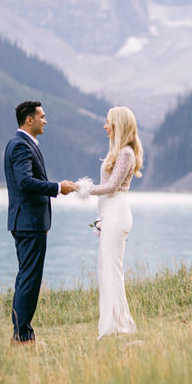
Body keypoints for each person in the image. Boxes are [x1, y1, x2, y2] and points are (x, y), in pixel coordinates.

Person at [4, 99, 76, 344]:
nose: (46, 121)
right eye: (42, 116)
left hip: (29, 222)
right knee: (29, 279)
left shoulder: (24, 144)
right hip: (28, 223)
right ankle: (22, 336)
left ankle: (22, 333)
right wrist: (57, 187)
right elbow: (24, 182)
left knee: (27, 277)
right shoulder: (20, 146)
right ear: (29, 120)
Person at [75, 106, 142, 337]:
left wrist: (84, 189)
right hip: (109, 214)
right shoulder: (120, 151)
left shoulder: (125, 153)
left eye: (108, 122)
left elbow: (113, 186)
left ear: (118, 125)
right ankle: (114, 325)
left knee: (112, 270)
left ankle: (118, 327)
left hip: (116, 212)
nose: (104, 126)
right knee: (106, 269)